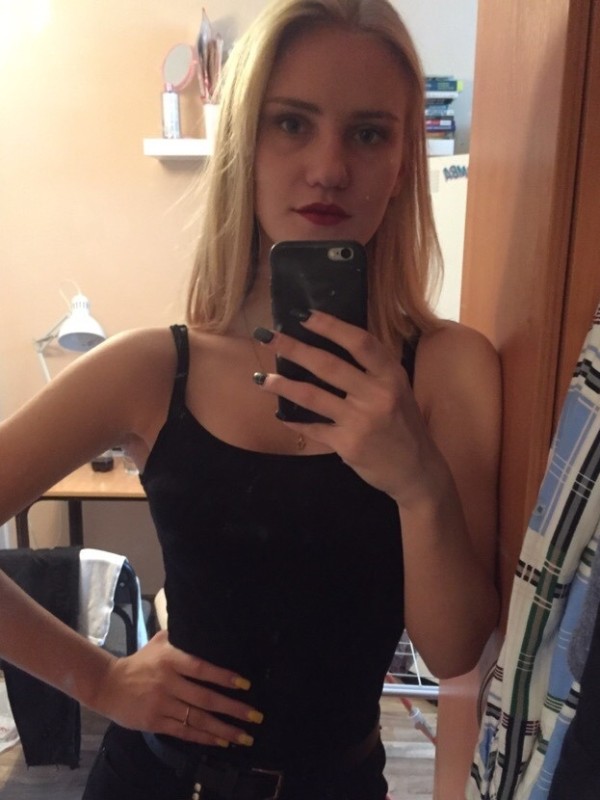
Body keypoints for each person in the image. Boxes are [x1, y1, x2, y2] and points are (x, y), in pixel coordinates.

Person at [0, 0, 501, 797]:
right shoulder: (151, 368)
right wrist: (97, 679)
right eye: (292, 124)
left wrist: (417, 481)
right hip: (156, 782)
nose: (330, 167)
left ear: (405, 161)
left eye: (369, 133)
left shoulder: (451, 370)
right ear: (243, 144)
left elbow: (453, 652)